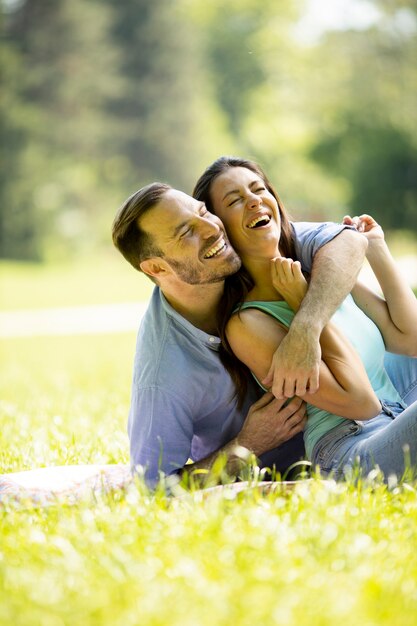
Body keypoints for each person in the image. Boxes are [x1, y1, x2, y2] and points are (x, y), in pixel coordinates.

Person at [111, 174, 368, 487]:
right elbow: (153, 486)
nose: (212, 228)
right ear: (157, 269)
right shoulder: (163, 375)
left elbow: (348, 240)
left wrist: (306, 327)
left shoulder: (236, 254)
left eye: (203, 212)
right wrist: (245, 445)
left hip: (372, 417)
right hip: (330, 456)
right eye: (187, 232)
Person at [193, 155, 417, 481]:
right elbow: (362, 403)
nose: (254, 201)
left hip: (398, 413)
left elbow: (409, 340)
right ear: (220, 227)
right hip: (350, 449)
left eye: (259, 189)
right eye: (235, 200)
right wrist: (301, 305)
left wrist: (377, 250)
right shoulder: (247, 325)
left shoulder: (322, 272)